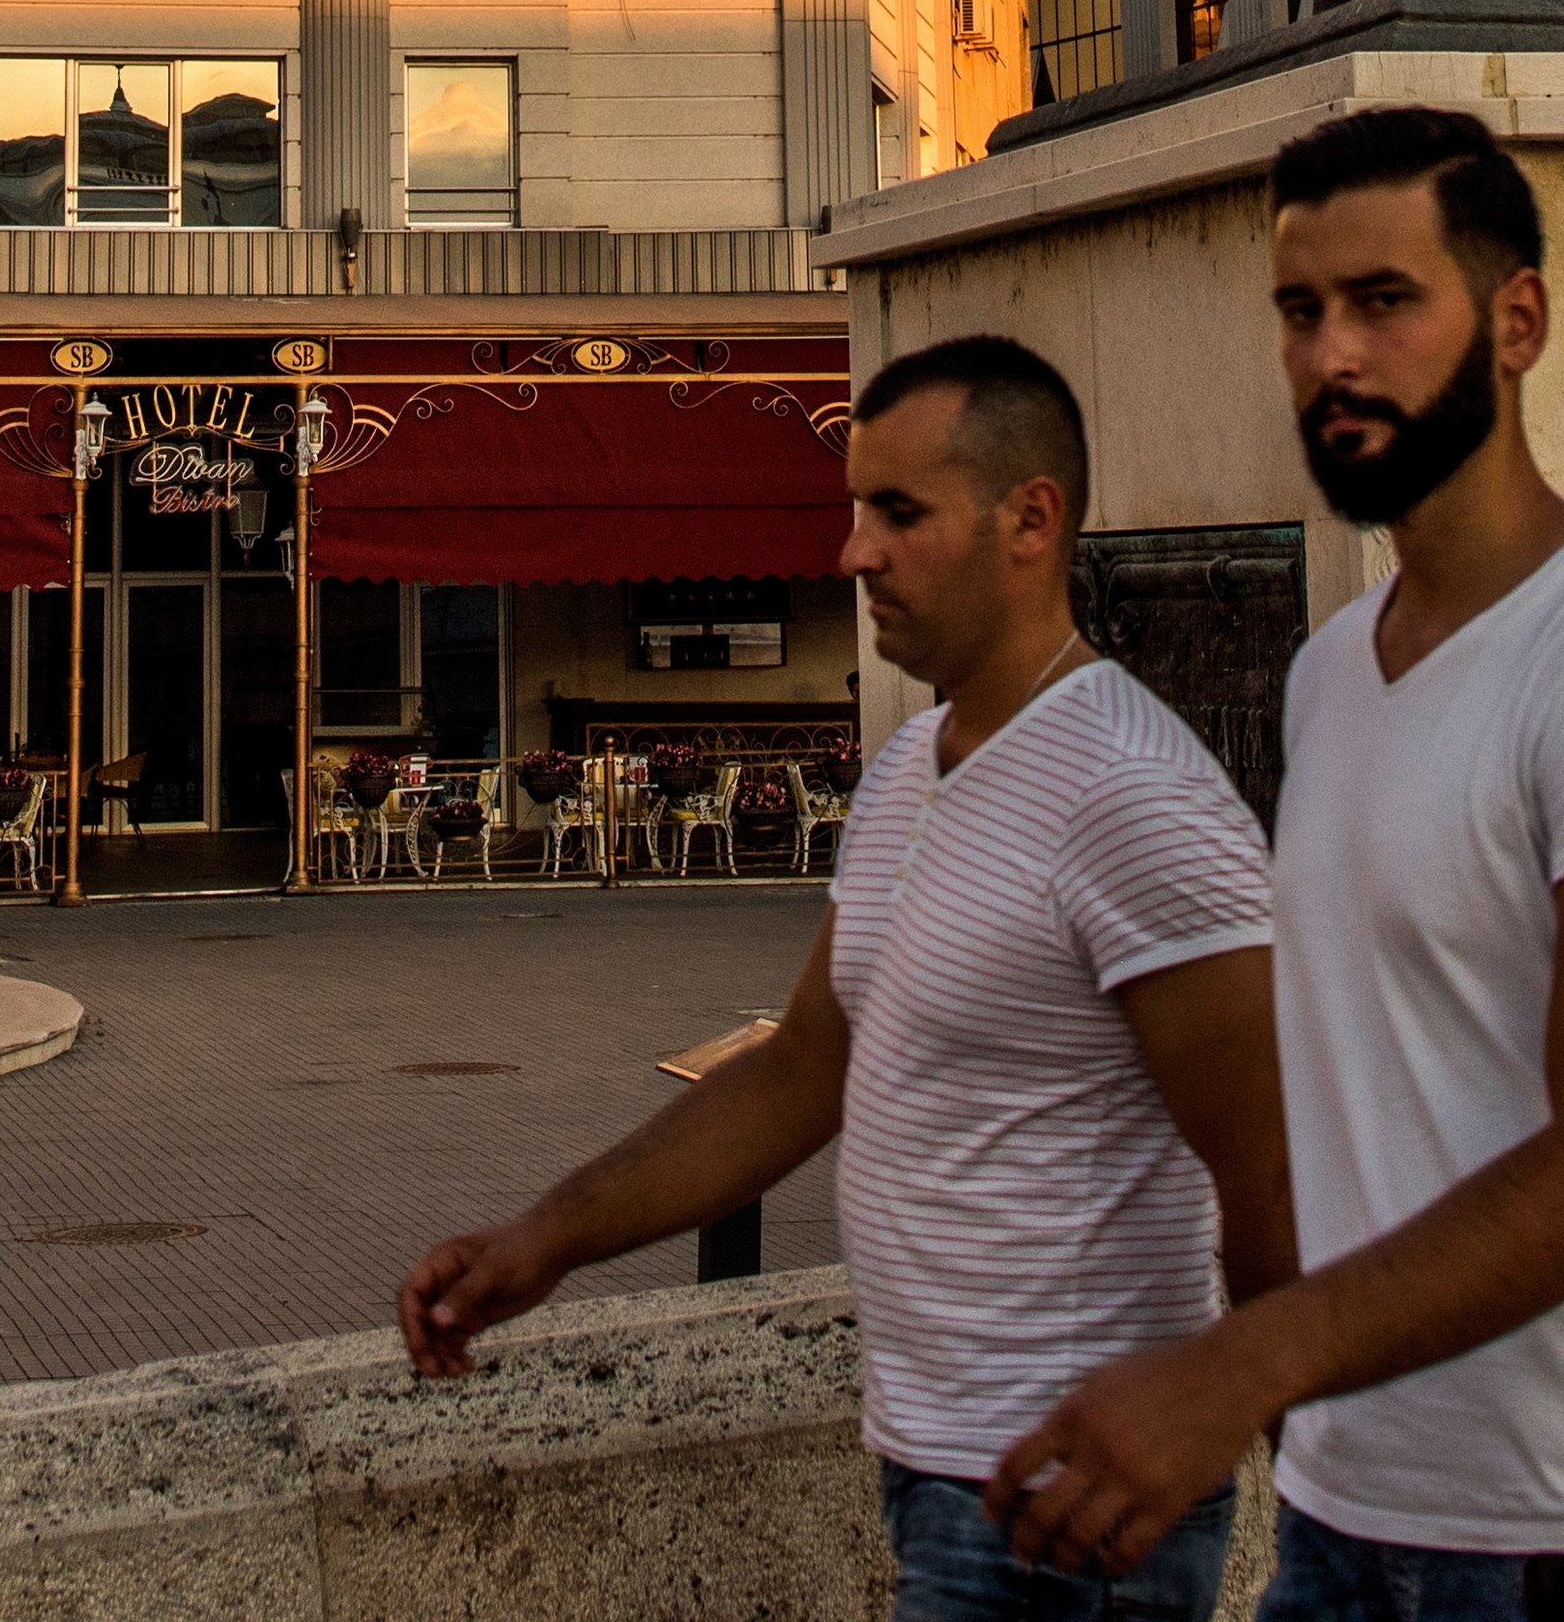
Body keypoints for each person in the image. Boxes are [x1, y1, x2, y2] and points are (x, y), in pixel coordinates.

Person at [986, 104, 1564, 1617]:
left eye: (1387, 303)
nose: (1332, 357)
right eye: (1300, 312)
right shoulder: (1335, 674)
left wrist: (1238, 1370)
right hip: (1346, 1528)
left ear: (1517, 321)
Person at [402, 334, 1289, 1619]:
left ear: (1031, 517)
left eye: (900, 512)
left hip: (1073, 1498)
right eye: (854, 508)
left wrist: (1292, 1478)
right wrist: (547, 1237)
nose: (852, 551)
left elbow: (1275, 1171)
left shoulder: (1135, 798)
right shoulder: (917, 764)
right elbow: (807, 1068)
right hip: (938, 1472)